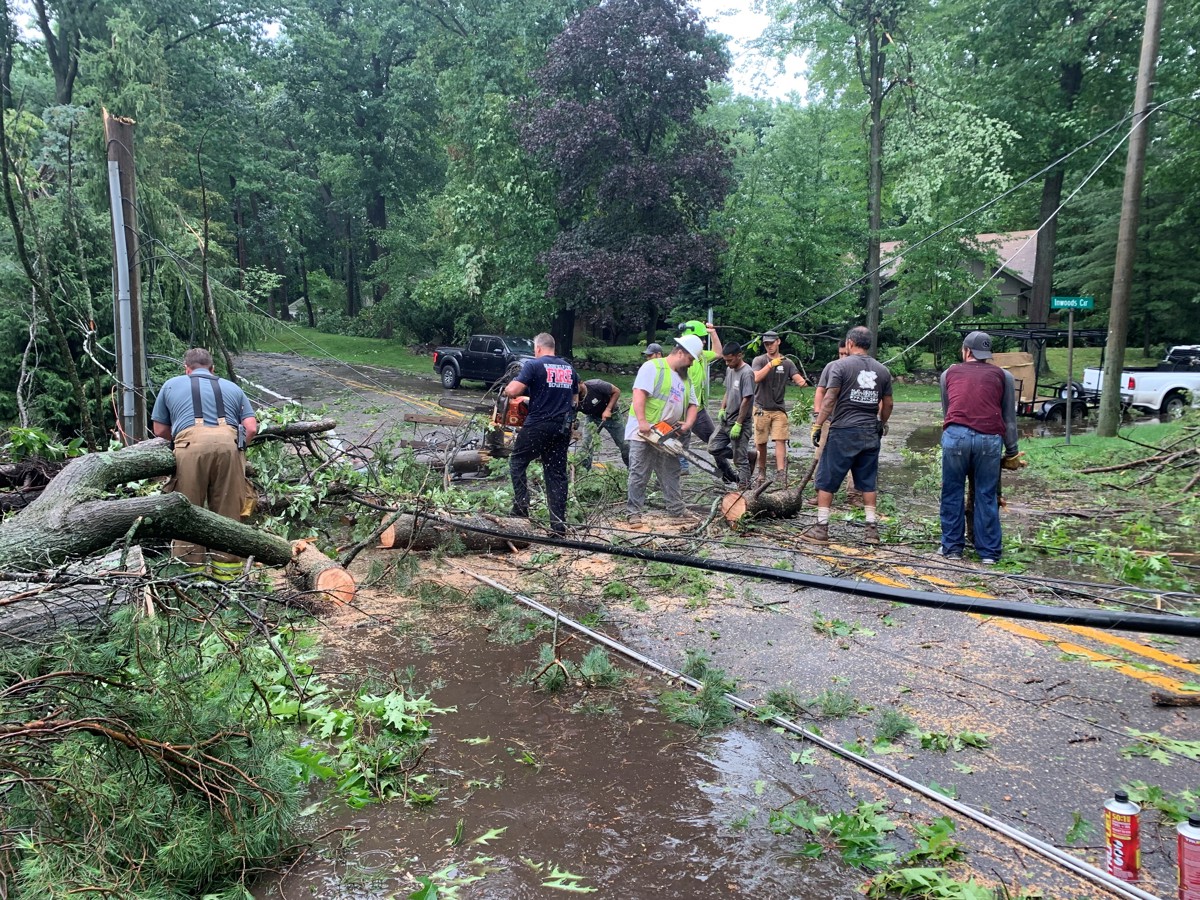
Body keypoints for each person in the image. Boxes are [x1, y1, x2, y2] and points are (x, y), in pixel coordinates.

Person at [151, 348, 258, 578]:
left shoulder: (171, 385)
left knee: (187, 512)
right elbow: (251, 428)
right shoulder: (233, 387)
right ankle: (228, 579)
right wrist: (235, 448)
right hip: (229, 446)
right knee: (228, 513)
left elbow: (159, 430)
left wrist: (185, 439)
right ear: (212, 369)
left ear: (186, 369)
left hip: (189, 447)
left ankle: (189, 578)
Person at [938, 331, 1023, 564]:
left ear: (966, 351)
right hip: (989, 439)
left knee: (952, 492)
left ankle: (952, 548)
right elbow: (1009, 417)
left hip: (955, 437)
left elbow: (947, 411)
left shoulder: (948, 374)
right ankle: (989, 554)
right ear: (986, 353)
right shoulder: (1003, 376)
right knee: (986, 494)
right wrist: (1012, 451)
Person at [803, 327, 893, 545]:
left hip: (843, 430)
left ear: (850, 343)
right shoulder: (883, 370)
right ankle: (872, 530)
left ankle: (821, 528)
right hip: (870, 431)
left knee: (827, 478)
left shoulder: (840, 366)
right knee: (868, 481)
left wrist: (818, 424)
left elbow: (830, 397)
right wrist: (881, 422)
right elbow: (888, 403)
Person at [505, 333, 580, 535]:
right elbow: (575, 398)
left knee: (517, 461)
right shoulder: (569, 368)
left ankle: (521, 508)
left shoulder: (534, 365)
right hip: (561, 428)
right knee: (556, 474)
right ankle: (558, 526)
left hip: (538, 424)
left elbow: (513, 390)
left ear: (538, 348)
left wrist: (509, 389)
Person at [626, 335, 702, 524]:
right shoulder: (653, 367)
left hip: (667, 432)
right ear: (680, 353)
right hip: (644, 431)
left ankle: (676, 509)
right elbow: (639, 393)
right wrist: (642, 422)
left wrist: (687, 424)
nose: (691, 364)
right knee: (639, 472)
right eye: (690, 359)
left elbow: (693, 404)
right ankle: (633, 512)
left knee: (671, 470)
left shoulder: (685, 378)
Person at [676, 320, 737, 481]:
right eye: (702, 338)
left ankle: (727, 473)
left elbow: (718, 352)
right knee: (677, 442)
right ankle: (671, 475)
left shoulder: (701, 356)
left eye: (704, 338)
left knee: (714, 441)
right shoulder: (679, 358)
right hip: (680, 409)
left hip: (698, 409)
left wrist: (712, 332)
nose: (704, 341)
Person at [751, 330, 808, 486]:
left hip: (779, 409)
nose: (769, 346)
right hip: (761, 407)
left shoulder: (788, 362)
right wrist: (770, 365)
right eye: (766, 344)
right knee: (760, 443)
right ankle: (760, 473)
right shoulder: (759, 360)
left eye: (771, 343)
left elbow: (800, 381)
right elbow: (755, 378)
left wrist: (804, 382)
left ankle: (781, 474)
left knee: (780, 440)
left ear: (778, 342)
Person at [813, 339, 863, 505]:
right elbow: (821, 391)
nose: (842, 357)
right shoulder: (831, 367)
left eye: (845, 354)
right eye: (840, 353)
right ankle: (820, 492)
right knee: (821, 456)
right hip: (829, 419)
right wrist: (817, 414)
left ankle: (853, 495)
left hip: (849, 421)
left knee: (853, 458)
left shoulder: (858, 368)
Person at [708, 342, 754, 488]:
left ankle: (745, 490)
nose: (727, 363)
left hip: (740, 422)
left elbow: (747, 399)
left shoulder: (747, 373)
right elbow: (728, 391)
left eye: (730, 360)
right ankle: (749, 455)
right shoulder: (730, 370)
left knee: (740, 461)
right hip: (726, 420)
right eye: (725, 360)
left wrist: (739, 423)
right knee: (713, 447)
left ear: (739, 355)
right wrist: (722, 408)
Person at [577, 378, 629, 470]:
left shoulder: (596, 385)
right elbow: (572, 414)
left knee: (624, 444)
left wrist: (608, 409)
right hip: (592, 418)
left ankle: (633, 469)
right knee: (586, 445)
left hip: (612, 416)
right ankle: (583, 472)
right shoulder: (573, 396)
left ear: (581, 383)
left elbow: (616, 391)